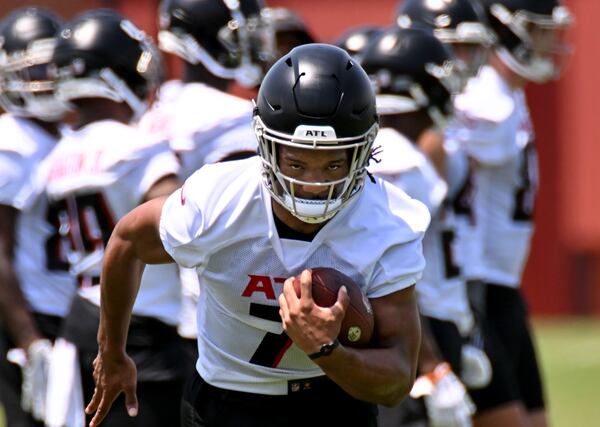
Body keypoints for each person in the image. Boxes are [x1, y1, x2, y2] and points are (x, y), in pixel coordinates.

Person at [86, 43, 429, 427]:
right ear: (266, 147)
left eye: (333, 163)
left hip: (331, 401)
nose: (313, 184)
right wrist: (111, 349)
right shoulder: (220, 200)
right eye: (297, 161)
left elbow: (397, 379)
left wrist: (327, 350)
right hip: (224, 402)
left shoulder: (389, 222)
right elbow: (128, 240)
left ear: (362, 153)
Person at [40, 9, 186, 427]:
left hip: (79, 324)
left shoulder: (55, 157)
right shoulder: (139, 148)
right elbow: (179, 226)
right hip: (139, 331)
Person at [448, 1, 573, 426]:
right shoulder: (483, 95)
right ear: (507, 30)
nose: (547, 44)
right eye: (539, 32)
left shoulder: (507, 93)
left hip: (503, 286)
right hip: (474, 282)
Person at [360, 27, 476, 427]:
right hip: (412, 333)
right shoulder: (396, 159)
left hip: (429, 328)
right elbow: (389, 279)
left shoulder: (405, 154)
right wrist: (433, 365)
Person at [0, 7, 74, 426]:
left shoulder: (68, 136)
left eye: (56, 65)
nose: (48, 78)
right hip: (32, 319)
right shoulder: (10, 143)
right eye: (37, 68)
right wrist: (29, 341)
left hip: (69, 317)